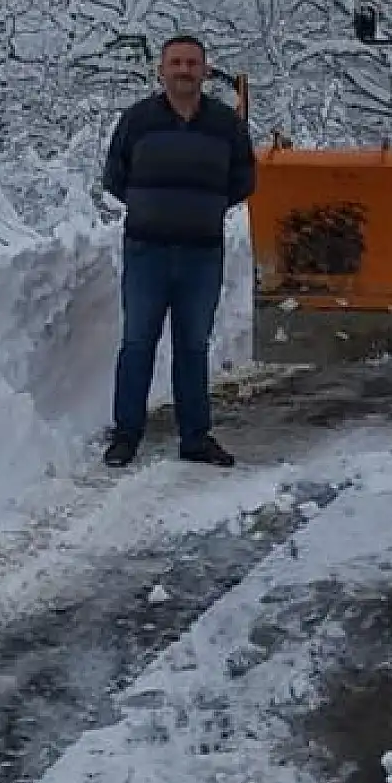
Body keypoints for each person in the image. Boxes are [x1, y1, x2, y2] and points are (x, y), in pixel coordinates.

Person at [99, 33, 254, 468]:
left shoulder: (225, 124)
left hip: (202, 254)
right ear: (161, 70)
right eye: (176, 63)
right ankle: (126, 435)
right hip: (146, 252)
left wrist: (203, 209)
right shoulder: (137, 120)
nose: (184, 70)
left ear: (205, 71)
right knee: (137, 342)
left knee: (192, 345)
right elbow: (115, 176)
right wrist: (153, 208)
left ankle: (195, 438)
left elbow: (244, 179)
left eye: (192, 63)